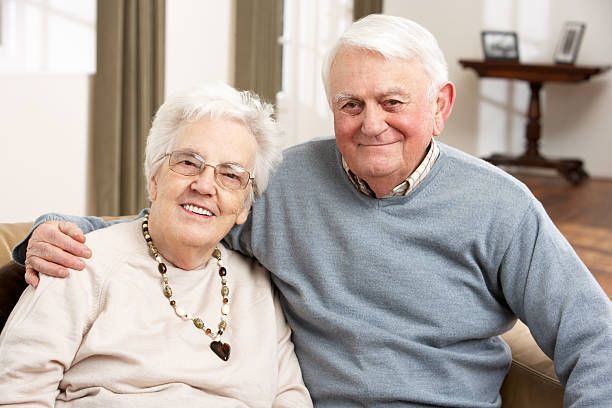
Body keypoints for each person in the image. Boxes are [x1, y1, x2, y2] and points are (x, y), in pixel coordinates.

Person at [11, 14, 612, 407]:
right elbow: (173, 217)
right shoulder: (283, 182)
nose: (371, 123)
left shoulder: (499, 207)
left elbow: (595, 339)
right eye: (350, 103)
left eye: (393, 101)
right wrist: (45, 233)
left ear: (441, 105)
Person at [0, 84, 312, 407]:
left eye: (230, 175)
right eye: (189, 162)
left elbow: (289, 397)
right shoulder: (78, 263)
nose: (204, 185)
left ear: (244, 207)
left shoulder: (258, 285)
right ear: (154, 178)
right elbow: (17, 394)